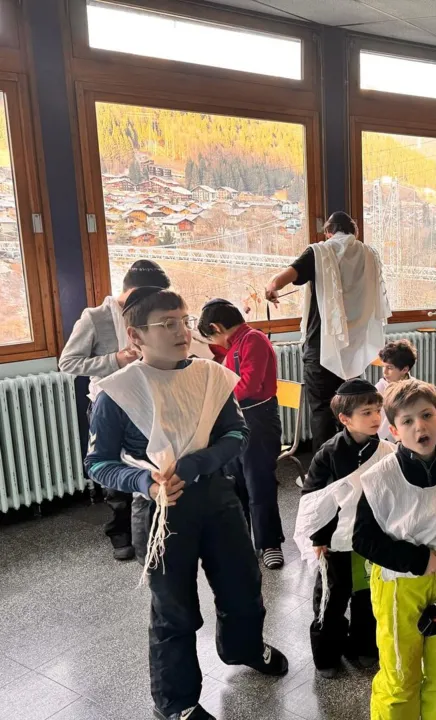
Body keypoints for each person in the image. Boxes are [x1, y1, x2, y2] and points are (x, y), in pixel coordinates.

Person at [84, 287, 288, 720]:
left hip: (216, 497)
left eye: (184, 320)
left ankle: (244, 648)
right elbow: (98, 463)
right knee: (173, 609)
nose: (182, 331)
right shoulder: (116, 392)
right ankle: (175, 702)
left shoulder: (210, 376)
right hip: (160, 510)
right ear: (136, 336)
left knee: (242, 585)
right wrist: (144, 481)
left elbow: (236, 433)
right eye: (167, 324)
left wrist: (195, 465)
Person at [353, 379, 436, 720]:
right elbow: (363, 539)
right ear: (394, 431)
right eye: (408, 421)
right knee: (401, 675)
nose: (419, 427)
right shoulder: (380, 478)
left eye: (426, 415)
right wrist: (416, 559)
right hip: (400, 588)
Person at [60, 259, 171, 562]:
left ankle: (149, 527)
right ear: (134, 291)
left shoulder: (150, 314)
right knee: (113, 469)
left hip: (146, 401)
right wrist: (116, 360)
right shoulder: (95, 318)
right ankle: (119, 532)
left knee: (147, 466)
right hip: (109, 403)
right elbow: (67, 363)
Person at [265, 211, 391, 452]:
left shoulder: (320, 252)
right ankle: (353, 461)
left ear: (328, 232)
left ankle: (325, 468)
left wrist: (271, 288)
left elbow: (281, 279)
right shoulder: (369, 254)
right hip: (354, 348)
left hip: (321, 346)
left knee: (322, 409)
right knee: (351, 408)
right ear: (355, 232)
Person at [296, 379, 393, 678]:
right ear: (345, 419)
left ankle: (364, 645)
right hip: (335, 540)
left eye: (377, 410)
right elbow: (313, 498)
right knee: (331, 598)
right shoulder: (328, 452)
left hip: (369, 541)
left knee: (367, 596)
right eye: (366, 412)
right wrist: (319, 538)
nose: (376, 418)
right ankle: (327, 654)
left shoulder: (387, 450)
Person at [198, 298, 285, 569]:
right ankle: (243, 539)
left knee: (259, 483)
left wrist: (215, 400)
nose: (215, 343)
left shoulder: (253, 340)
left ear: (216, 327)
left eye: (211, 336)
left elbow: (249, 384)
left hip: (258, 419)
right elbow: (219, 357)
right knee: (235, 483)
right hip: (235, 420)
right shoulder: (234, 343)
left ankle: (269, 543)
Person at [376, 339, 418, 442]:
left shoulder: (415, 388)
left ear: (405, 370)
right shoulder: (379, 389)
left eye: (390, 368)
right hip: (384, 441)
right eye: (383, 366)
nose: (385, 372)